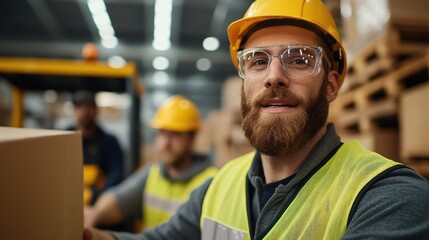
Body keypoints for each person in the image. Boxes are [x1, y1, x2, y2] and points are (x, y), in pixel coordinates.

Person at [84, 0, 429, 239]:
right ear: (244, 80)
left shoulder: (390, 198)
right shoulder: (218, 188)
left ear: (332, 84)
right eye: (258, 60)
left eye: (299, 59)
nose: (274, 76)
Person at [84, 95, 217, 232]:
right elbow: (120, 199)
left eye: (175, 134)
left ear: (192, 138)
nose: (166, 143)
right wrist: (95, 213)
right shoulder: (153, 172)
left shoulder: (211, 182)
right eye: (162, 133)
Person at [68, 90, 124, 207]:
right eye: (80, 107)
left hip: (98, 203)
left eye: (89, 107)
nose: (85, 112)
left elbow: (117, 173)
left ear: (96, 110)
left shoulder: (109, 141)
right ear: (74, 111)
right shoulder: (64, 138)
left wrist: (97, 195)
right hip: (68, 201)